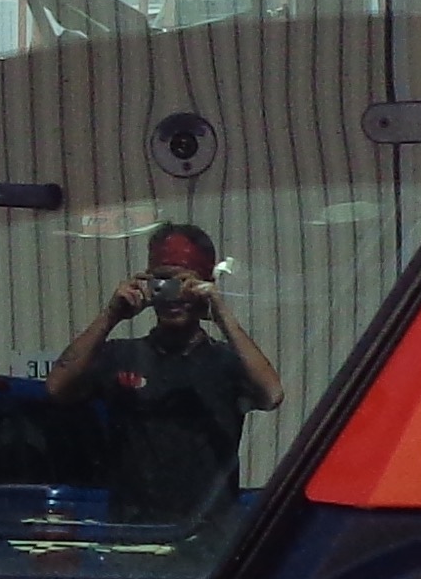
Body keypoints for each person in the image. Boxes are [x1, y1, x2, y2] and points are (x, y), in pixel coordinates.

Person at [43, 222, 282, 531]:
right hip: (131, 531)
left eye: (184, 282)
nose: (173, 296)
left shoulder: (225, 362)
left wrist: (221, 312)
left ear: (205, 285)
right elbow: (57, 387)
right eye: (163, 282)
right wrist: (111, 314)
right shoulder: (122, 356)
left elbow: (272, 394)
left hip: (207, 537)